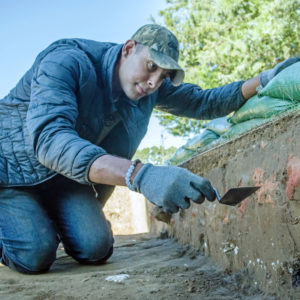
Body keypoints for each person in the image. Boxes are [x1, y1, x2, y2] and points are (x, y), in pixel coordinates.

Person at [0, 24, 298, 274]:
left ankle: (40, 222)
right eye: (151, 66)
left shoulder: (148, 89)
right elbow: (50, 140)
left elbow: (203, 102)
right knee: (34, 256)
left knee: (95, 247)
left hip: (66, 179)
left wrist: (263, 80)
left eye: (165, 76)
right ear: (128, 49)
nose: (154, 82)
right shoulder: (66, 61)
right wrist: (140, 175)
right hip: (12, 172)